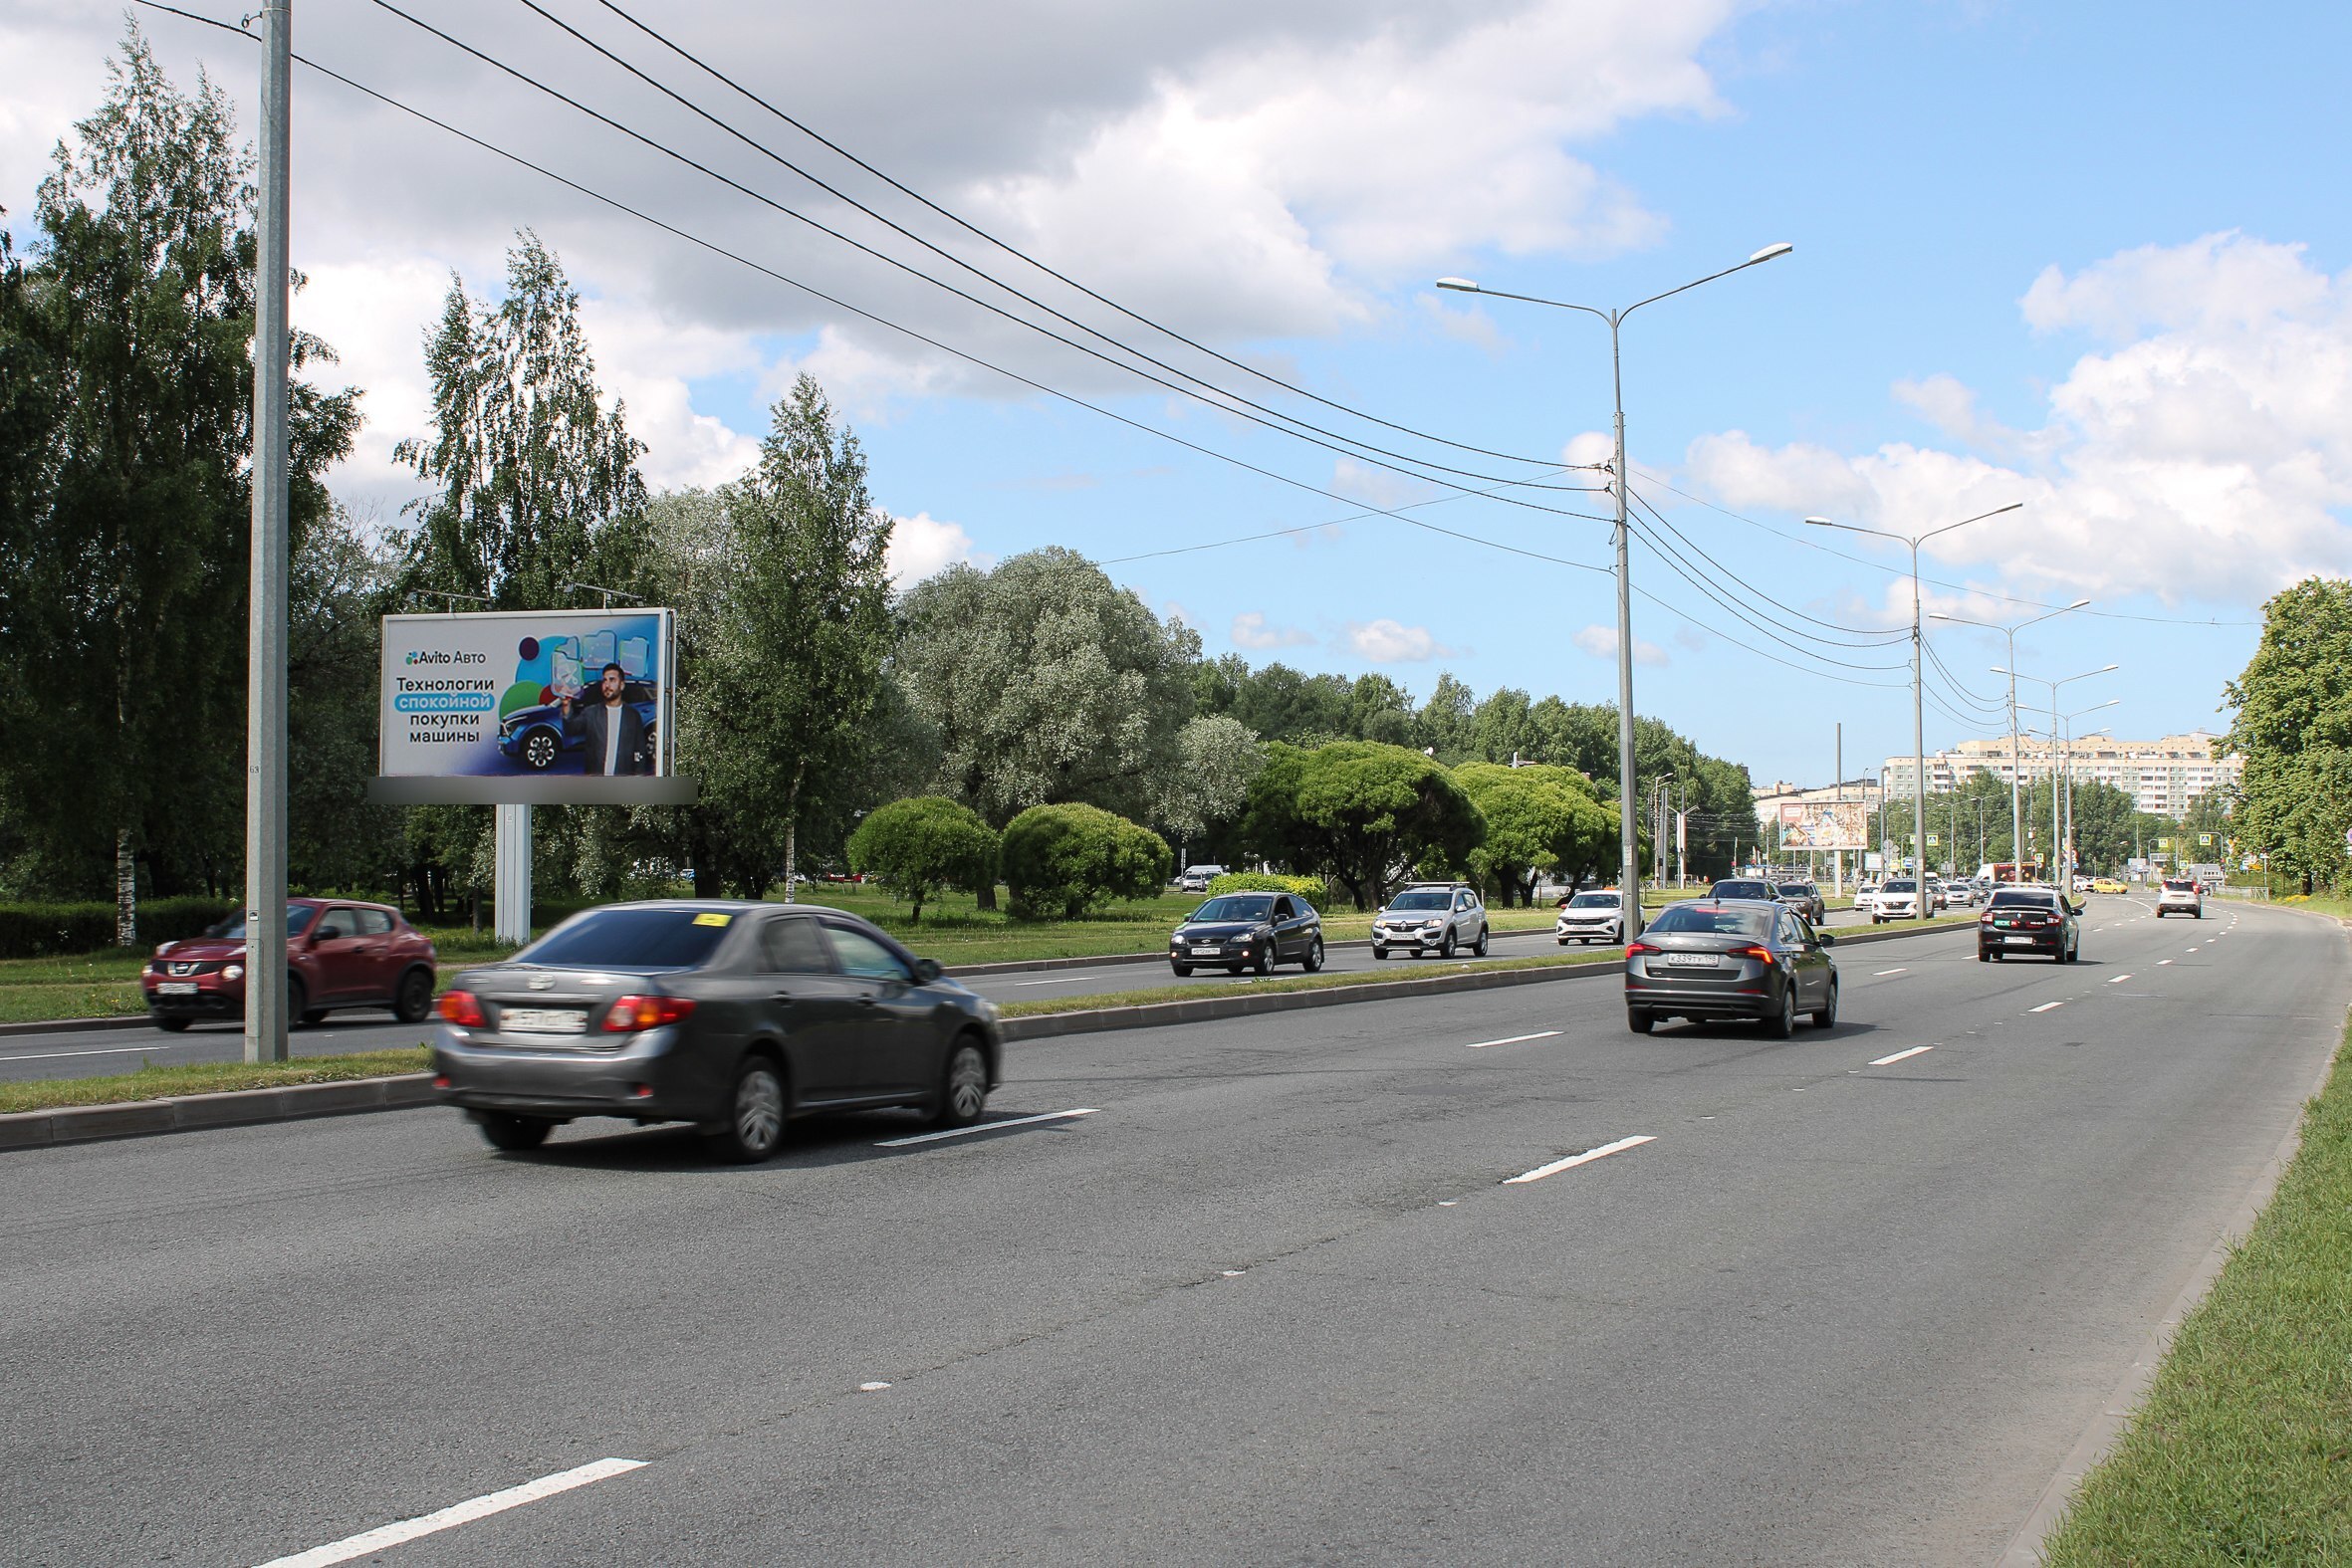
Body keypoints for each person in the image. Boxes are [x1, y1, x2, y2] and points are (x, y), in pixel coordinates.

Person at [560, 661, 649, 776]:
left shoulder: (633, 716)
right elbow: (570, 729)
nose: (607, 685)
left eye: (612, 680)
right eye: (604, 680)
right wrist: (566, 706)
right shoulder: (591, 713)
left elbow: (639, 749)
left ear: (622, 685)